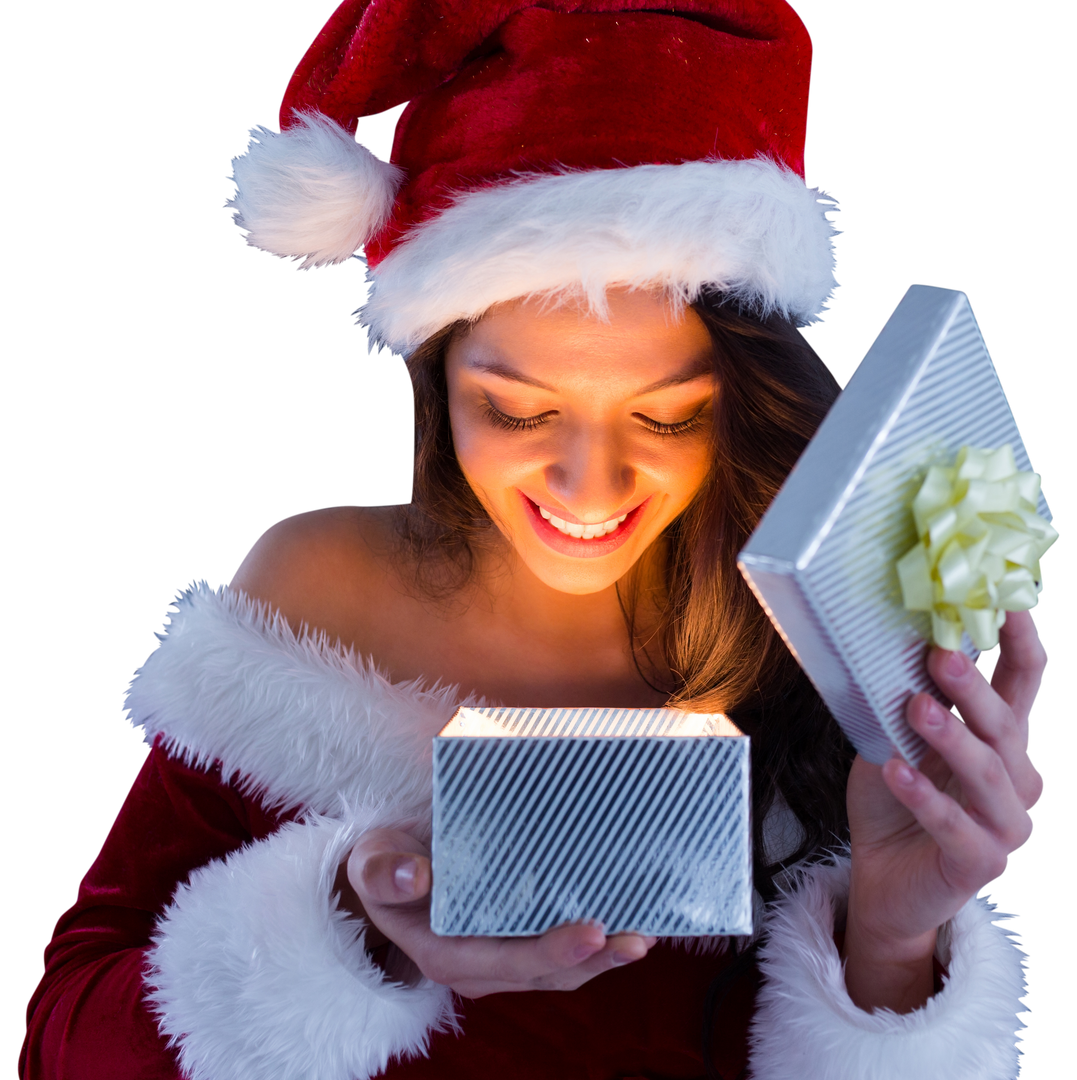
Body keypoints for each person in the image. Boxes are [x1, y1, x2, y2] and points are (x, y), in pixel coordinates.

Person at [20, 2, 1044, 1078]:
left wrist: (890, 942)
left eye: (664, 416)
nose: (587, 486)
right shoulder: (322, 594)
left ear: (740, 398)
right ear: (435, 379)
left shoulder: (833, 626)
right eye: (518, 411)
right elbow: (65, 1044)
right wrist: (349, 931)